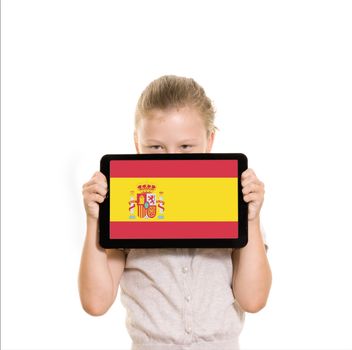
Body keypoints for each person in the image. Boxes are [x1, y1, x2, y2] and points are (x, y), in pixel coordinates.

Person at [79, 75, 272, 350]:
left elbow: (253, 300)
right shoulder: (125, 204)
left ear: (209, 141)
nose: (170, 158)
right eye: (155, 147)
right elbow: (95, 303)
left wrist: (251, 219)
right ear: (137, 144)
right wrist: (93, 219)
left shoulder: (232, 202)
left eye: (186, 147)